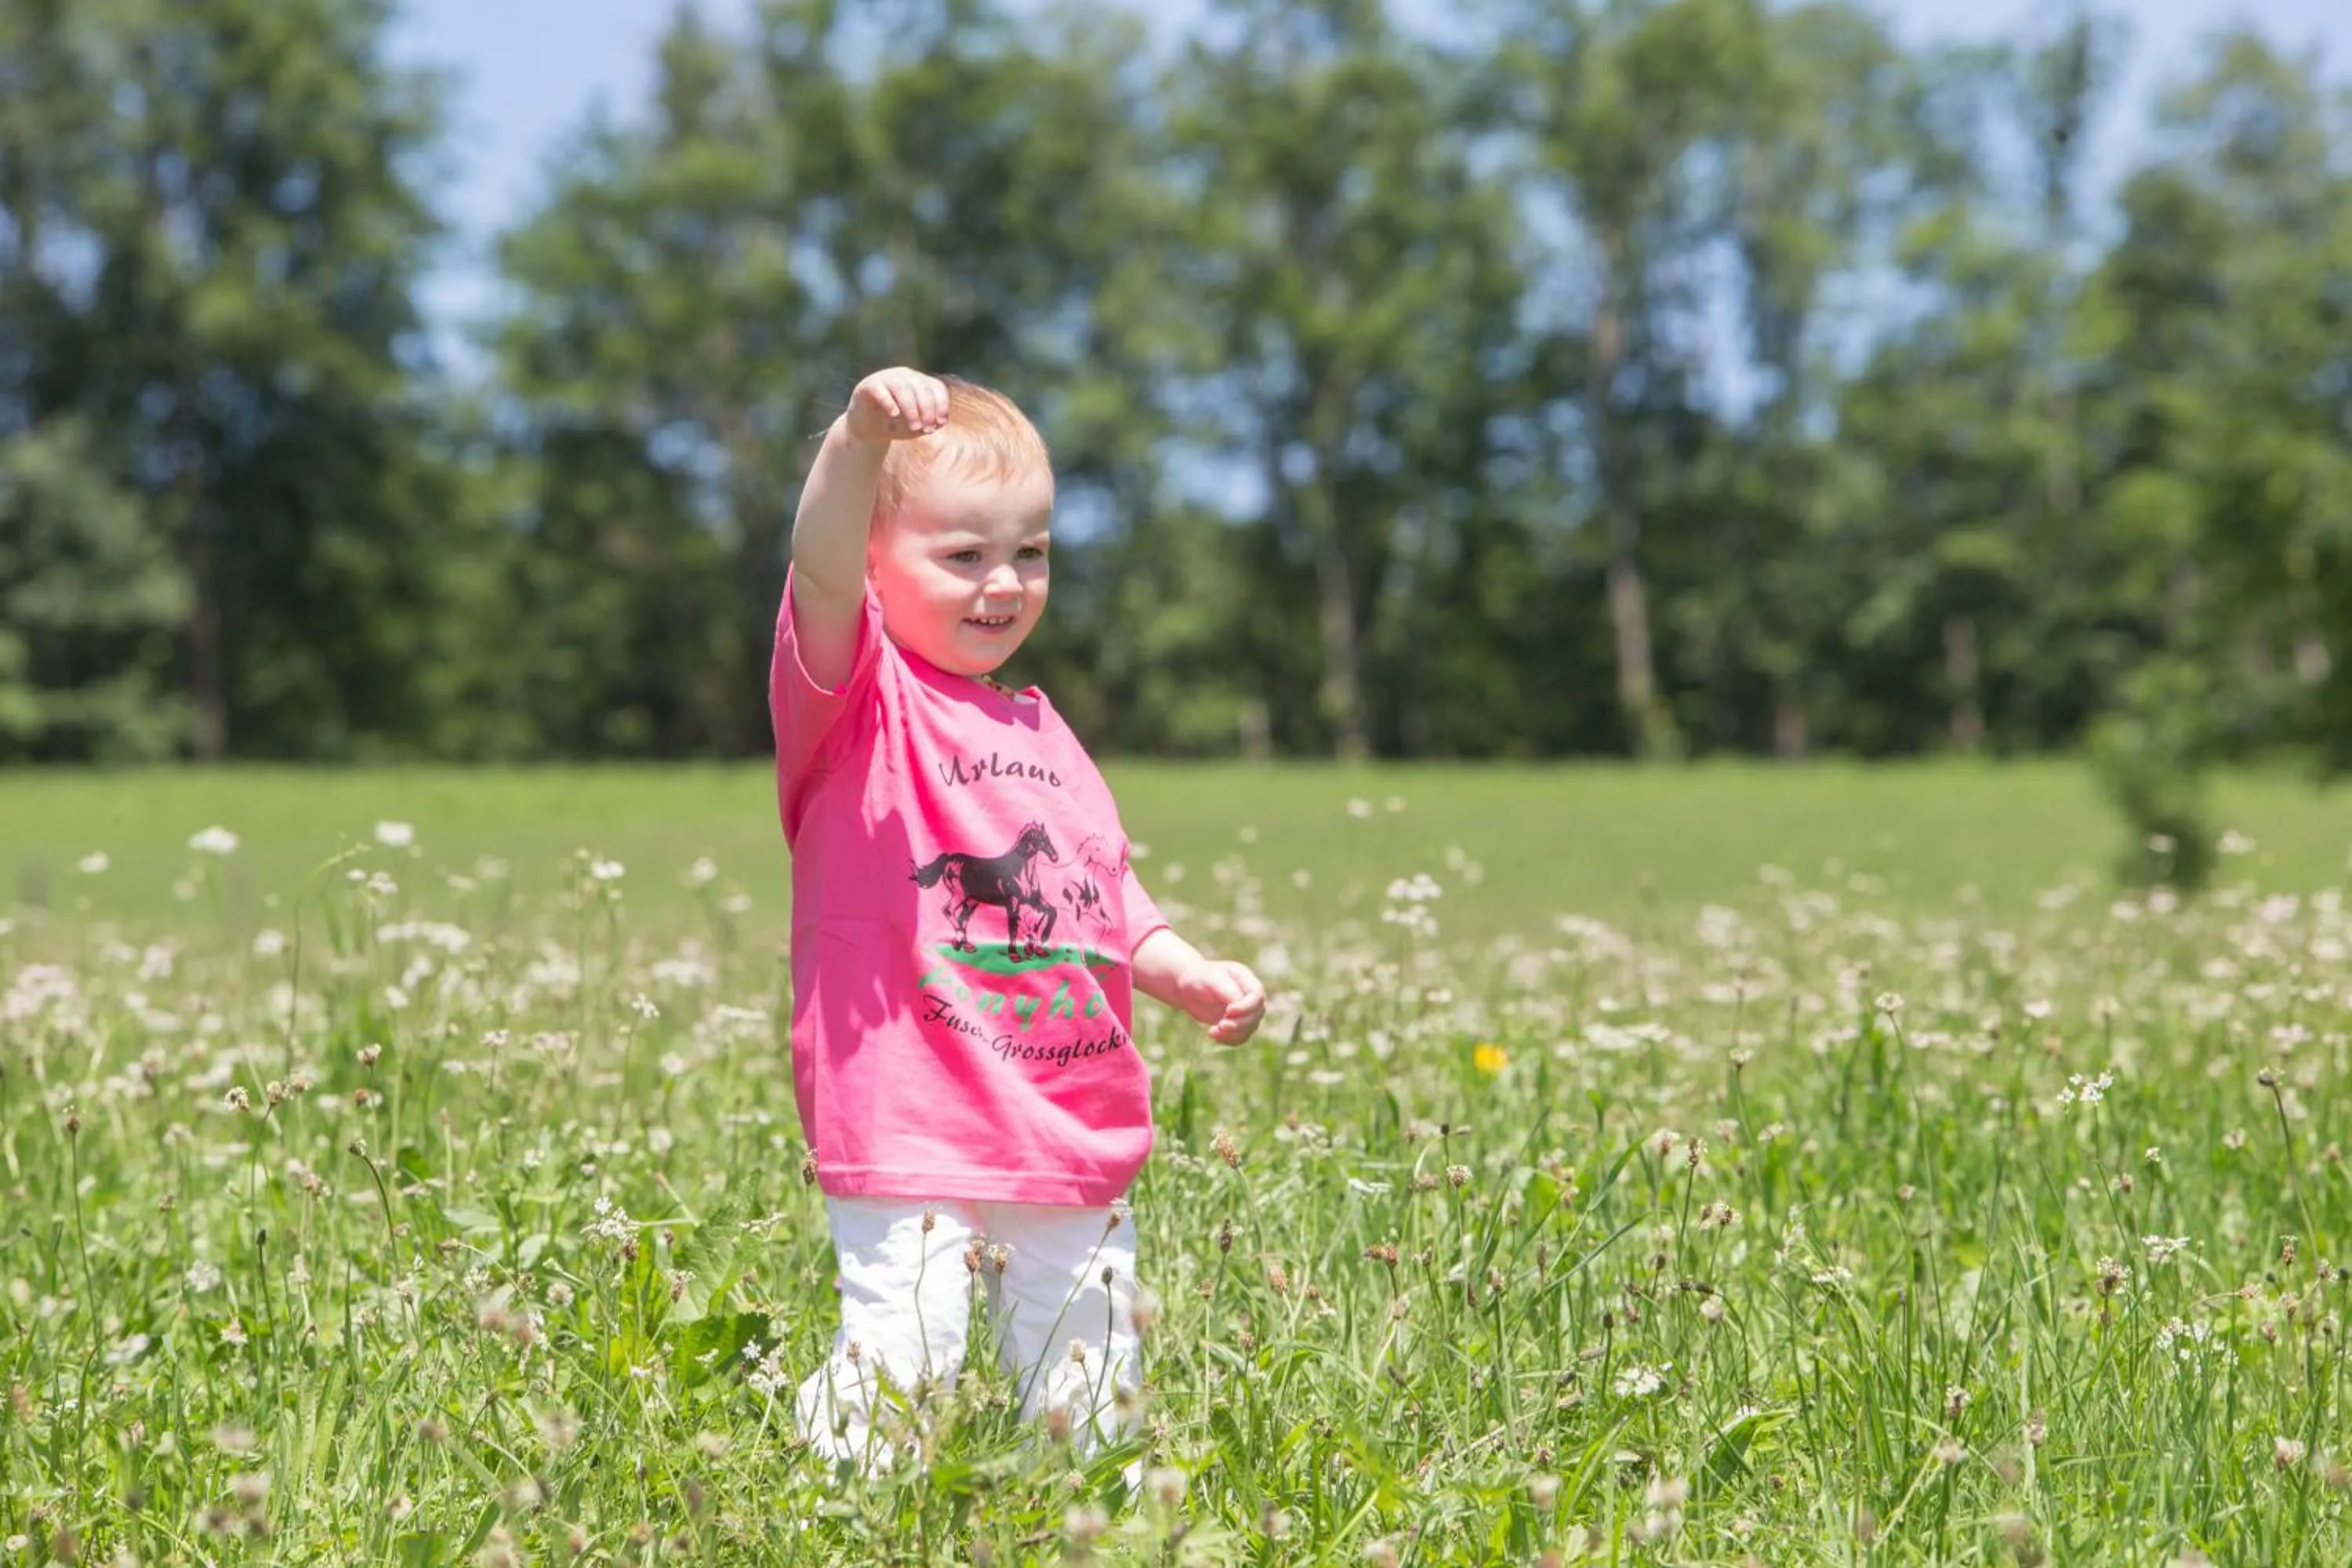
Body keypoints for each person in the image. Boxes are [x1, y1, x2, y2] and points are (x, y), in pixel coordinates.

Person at [772, 365, 1268, 1468]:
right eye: (964, 556)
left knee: (1093, 1357)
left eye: (1030, 552)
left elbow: (1098, 890)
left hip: (1063, 1107)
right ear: (873, 564)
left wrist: (1180, 967)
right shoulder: (856, 696)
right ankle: (844, 1512)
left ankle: (1090, 1521)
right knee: (911, 1349)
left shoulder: (1046, 731)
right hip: (912, 1113)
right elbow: (813, 559)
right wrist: (855, 441)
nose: (1004, 582)